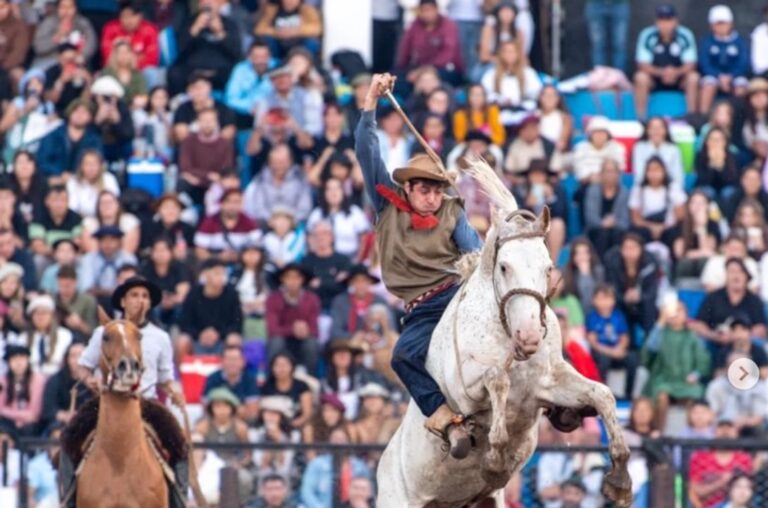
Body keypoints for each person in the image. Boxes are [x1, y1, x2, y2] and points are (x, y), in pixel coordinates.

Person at [355, 73, 483, 457]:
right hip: (422, 310)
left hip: (459, 295)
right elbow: (366, 150)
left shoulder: (452, 211)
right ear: (407, 187)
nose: (431, 196)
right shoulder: (385, 205)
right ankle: (446, 418)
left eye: (436, 189)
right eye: (424, 188)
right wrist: (371, 100)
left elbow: (474, 257)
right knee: (403, 357)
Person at [69, 277, 186, 507]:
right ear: (123, 301)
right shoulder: (103, 332)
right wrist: (89, 379)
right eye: (134, 295)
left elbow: (165, 378)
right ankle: (68, 498)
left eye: (144, 296)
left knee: (179, 445)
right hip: (104, 401)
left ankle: (179, 499)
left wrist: (173, 391)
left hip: (147, 402)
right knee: (67, 440)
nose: (139, 300)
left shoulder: (161, 338)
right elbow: (83, 366)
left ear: (150, 303)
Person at [641, 301, 711, 430]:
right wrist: (660, 324)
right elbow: (648, 353)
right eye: (673, 310)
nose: (676, 314)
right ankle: (658, 432)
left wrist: (696, 374)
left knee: (695, 397)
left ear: (686, 315)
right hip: (663, 379)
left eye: (680, 310)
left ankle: (691, 435)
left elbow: (703, 360)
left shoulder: (692, 336)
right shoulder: (660, 333)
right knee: (661, 396)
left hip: (685, 382)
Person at [691, 258, 767, 361]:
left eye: (740, 272)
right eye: (732, 271)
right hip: (716, 341)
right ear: (726, 275)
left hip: (745, 344)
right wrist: (713, 335)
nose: (736, 276)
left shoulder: (754, 300)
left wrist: (738, 336)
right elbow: (699, 324)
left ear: (746, 277)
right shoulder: (713, 297)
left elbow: (760, 328)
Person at [633, 5, 699, 120]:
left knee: (693, 77)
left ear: (675, 21)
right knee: (640, 77)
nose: (665, 24)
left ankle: (691, 118)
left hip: (679, 79)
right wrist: (662, 72)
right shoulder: (647, 35)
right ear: (656, 21)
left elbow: (691, 64)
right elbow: (642, 64)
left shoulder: (685, 35)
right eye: (662, 20)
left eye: (668, 20)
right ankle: (641, 118)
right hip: (655, 79)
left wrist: (675, 72)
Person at [166, 2, 241, 95]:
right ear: (199, 4)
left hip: (218, 72)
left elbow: (237, 52)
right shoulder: (189, 21)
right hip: (193, 71)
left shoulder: (229, 24)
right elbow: (179, 49)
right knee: (174, 73)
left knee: (235, 74)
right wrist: (195, 29)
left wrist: (220, 33)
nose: (207, 3)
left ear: (219, 5)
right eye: (203, 0)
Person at [178, 258, 243, 355]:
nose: (221, 277)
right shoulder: (194, 293)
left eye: (223, 274)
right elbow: (185, 322)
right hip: (198, 338)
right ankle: (183, 369)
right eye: (217, 273)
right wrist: (200, 334)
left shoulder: (232, 294)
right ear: (206, 274)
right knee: (182, 341)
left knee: (234, 340)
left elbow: (237, 323)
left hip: (222, 338)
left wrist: (218, 334)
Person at [265, 263, 321, 374]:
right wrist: (292, 329)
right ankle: (272, 378)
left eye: (296, 277)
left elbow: (315, 330)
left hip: (303, 341)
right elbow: (272, 329)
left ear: (302, 279)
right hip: (283, 340)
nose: (293, 281)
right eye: (289, 277)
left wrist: (306, 330)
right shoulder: (273, 299)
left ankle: (311, 378)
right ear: (282, 279)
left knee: (312, 344)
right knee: (275, 342)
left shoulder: (312, 299)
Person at [396, 0, 464, 86]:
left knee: (427, 79)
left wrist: (424, 71)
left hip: (445, 69)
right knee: (399, 79)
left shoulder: (448, 25)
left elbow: (448, 54)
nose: (427, 14)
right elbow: (406, 49)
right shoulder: (415, 25)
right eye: (424, 10)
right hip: (420, 67)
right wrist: (402, 68)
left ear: (437, 10)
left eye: (429, 10)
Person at [300, 427, 371, 508]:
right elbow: (307, 492)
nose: (338, 442)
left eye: (342, 439)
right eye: (335, 438)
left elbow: (368, 492)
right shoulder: (317, 464)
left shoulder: (360, 466)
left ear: (348, 441)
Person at [178, 107, 235, 206]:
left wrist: (214, 178)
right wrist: (207, 175)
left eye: (211, 120)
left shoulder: (225, 143)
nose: (207, 124)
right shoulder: (188, 141)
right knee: (183, 182)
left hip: (216, 183)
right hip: (194, 182)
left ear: (216, 122)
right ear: (198, 122)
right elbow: (185, 167)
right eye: (204, 120)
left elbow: (226, 168)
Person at [688, 419, 753, 507]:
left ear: (736, 434)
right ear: (714, 433)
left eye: (729, 429)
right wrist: (722, 482)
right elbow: (695, 492)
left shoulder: (744, 459)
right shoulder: (700, 457)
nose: (725, 432)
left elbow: (747, 490)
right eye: (721, 428)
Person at [586, 284, 636, 397]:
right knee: (603, 360)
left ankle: (628, 394)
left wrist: (620, 348)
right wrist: (610, 352)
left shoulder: (618, 315)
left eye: (608, 298)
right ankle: (603, 393)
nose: (605, 302)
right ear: (594, 300)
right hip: (601, 352)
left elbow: (625, 337)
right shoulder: (593, 317)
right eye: (601, 298)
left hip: (616, 351)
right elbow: (593, 341)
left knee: (632, 358)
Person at [243, 143, 313, 223]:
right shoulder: (260, 179)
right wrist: (273, 222)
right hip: (267, 225)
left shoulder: (300, 179)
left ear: (290, 161)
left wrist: (288, 222)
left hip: (295, 225)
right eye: (275, 162)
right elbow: (259, 208)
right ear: (269, 162)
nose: (279, 166)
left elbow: (305, 208)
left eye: (282, 162)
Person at [699, 5, 749, 114]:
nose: (721, 27)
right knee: (708, 85)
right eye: (718, 24)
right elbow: (704, 63)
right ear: (711, 26)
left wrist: (731, 76)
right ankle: (703, 118)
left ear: (731, 24)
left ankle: (739, 119)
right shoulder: (707, 41)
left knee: (741, 87)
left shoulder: (739, 41)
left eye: (724, 23)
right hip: (713, 76)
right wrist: (719, 76)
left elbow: (743, 63)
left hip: (735, 76)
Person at [36, 99, 102, 180]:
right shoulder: (53, 135)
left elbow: (97, 163)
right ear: (70, 113)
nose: (80, 115)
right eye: (76, 111)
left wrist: (77, 177)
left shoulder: (94, 140)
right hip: (55, 179)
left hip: (83, 181)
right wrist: (60, 173)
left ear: (90, 117)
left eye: (84, 112)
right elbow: (43, 160)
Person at [481, 40, 542, 126]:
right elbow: (485, 94)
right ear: (501, 54)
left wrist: (520, 102)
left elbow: (536, 93)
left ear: (518, 54)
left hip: (523, 113)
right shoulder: (491, 74)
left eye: (512, 51)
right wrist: (500, 100)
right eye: (506, 51)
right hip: (499, 113)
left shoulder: (528, 73)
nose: (509, 54)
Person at [194, 188, 263, 263]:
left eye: (237, 202)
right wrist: (218, 257)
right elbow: (200, 251)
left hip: (242, 263)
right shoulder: (209, 222)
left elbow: (257, 247)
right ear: (221, 204)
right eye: (229, 202)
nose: (232, 206)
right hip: (214, 262)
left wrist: (240, 256)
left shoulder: (249, 222)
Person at [77, 225, 138, 304]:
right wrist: (111, 292)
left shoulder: (129, 259)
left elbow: (131, 287)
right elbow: (86, 289)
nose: (108, 244)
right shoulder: (88, 259)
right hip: (96, 301)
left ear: (119, 241)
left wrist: (102, 291)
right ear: (98, 242)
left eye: (112, 240)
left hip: (122, 299)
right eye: (103, 240)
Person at [584, 158, 630, 258]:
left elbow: (625, 220)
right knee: (602, 234)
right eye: (607, 171)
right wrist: (602, 223)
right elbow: (590, 217)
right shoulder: (592, 190)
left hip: (617, 230)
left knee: (617, 234)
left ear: (619, 174)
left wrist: (613, 223)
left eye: (613, 171)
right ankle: (599, 268)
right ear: (601, 174)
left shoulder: (624, 192)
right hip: (596, 230)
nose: (610, 175)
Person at [100, 0, 159, 78]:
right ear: (119, 17)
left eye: (132, 16)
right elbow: (107, 57)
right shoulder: (110, 29)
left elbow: (152, 59)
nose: (129, 20)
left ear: (140, 16)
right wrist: (137, 57)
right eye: (125, 16)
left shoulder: (150, 30)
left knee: (152, 72)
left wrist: (127, 61)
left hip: (141, 71)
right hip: (115, 70)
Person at [40, 341, 91, 431]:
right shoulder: (56, 380)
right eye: (73, 356)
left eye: (81, 355)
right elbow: (48, 409)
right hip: (62, 423)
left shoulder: (93, 379)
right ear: (67, 359)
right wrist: (65, 416)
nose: (78, 360)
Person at [172, 73, 237, 143]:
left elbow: (228, 134)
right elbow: (181, 135)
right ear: (188, 91)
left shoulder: (224, 109)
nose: (198, 91)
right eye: (194, 88)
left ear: (209, 87)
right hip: (191, 151)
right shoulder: (182, 109)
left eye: (201, 87)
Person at [33, 0, 97, 70]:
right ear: (57, 9)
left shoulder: (82, 23)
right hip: (51, 61)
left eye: (70, 7)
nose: (66, 11)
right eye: (63, 7)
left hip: (76, 61)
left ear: (75, 9)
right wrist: (58, 36)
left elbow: (92, 42)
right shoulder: (49, 22)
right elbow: (39, 47)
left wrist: (81, 55)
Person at [203, 345, 260, 422]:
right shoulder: (212, 378)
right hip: (216, 421)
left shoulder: (250, 379)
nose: (232, 363)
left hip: (243, 421)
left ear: (243, 362)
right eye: (229, 359)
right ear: (222, 361)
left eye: (236, 359)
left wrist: (224, 410)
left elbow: (252, 411)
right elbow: (206, 407)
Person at [23, 294, 74, 376]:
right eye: (36, 313)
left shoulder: (65, 335)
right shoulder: (22, 338)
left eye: (44, 313)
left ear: (52, 316)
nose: (40, 317)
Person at [0, 345, 45, 437]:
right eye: (14, 359)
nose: (18, 363)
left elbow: (35, 412)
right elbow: (1, 408)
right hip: (8, 422)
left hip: (33, 424)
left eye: (22, 359)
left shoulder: (38, 380)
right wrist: (19, 417)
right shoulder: (3, 381)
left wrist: (24, 418)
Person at [29, 186, 83, 261]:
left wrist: (65, 254)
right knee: (39, 260)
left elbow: (78, 243)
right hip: (48, 255)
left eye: (63, 200)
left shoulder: (76, 218)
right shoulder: (38, 218)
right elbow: (38, 246)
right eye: (55, 200)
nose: (59, 204)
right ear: (47, 201)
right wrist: (58, 253)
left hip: (70, 255)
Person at [254, 0, 322, 59]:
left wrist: (296, 31)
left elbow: (317, 29)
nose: (291, 1)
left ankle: (306, 65)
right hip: (279, 44)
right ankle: (274, 65)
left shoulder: (307, 9)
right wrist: (276, 32)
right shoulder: (273, 9)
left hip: (299, 43)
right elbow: (259, 29)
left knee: (311, 43)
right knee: (268, 40)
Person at [225, 39, 274, 120]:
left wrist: (263, 107)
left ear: (270, 56)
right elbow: (230, 98)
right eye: (257, 57)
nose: (261, 61)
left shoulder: (277, 67)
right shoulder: (240, 69)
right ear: (249, 57)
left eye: (264, 57)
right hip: (244, 115)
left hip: (271, 113)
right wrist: (249, 107)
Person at [632, 117, 685, 189]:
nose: (656, 131)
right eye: (653, 128)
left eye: (660, 127)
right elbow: (639, 175)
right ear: (647, 130)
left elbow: (678, 177)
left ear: (665, 130)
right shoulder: (639, 148)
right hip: (645, 189)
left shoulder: (673, 150)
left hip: (669, 188)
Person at [65, 149, 120, 218]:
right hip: (81, 220)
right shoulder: (73, 181)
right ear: (81, 166)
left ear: (100, 166)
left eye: (94, 164)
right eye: (87, 164)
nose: (91, 168)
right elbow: (72, 208)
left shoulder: (109, 179)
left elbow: (114, 205)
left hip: (105, 219)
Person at [54, 264, 99, 340]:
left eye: (67, 286)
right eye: (61, 286)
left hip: (80, 340)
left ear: (75, 282)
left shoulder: (88, 301)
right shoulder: (52, 300)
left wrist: (80, 324)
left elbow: (94, 332)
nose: (64, 289)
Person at [584, 0, 630, 70]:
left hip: (619, 4)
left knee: (619, 45)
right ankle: (600, 78)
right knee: (598, 45)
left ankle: (618, 78)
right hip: (595, 4)